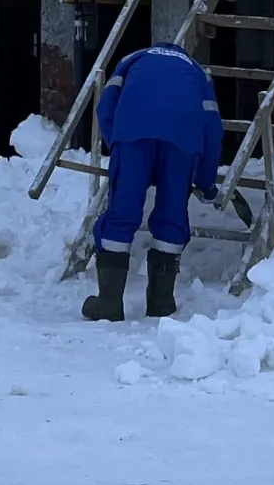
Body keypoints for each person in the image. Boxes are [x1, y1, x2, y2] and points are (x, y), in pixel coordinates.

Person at [82, 38, 221, 321]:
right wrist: (206, 182)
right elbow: (212, 130)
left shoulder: (131, 59)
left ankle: (108, 302)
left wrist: (118, 143)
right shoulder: (198, 71)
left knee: (123, 211)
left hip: (133, 132)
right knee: (172, 213)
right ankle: (160, 302)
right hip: (184, 138)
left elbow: (105, 108)